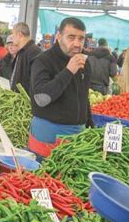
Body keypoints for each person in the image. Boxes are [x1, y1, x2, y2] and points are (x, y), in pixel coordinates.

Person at [28, 17, 94, 158]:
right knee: (42, 177)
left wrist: (90, 127)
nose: (77, 43)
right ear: (58, 36)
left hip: (77, 134)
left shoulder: (84, 63)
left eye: (81, 39)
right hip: (48, 133)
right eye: (71, 37)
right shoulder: (43, 61)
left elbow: (83, 96)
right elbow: (41, 98)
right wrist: (68, 71)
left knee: (70, 178)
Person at [9, 22, 41, 95]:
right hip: (17, 98)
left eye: (13, 34)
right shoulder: (21, 51)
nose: (11, 37)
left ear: (20, 35)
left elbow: (34, 81)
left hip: (26, 101)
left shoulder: (34, 52)